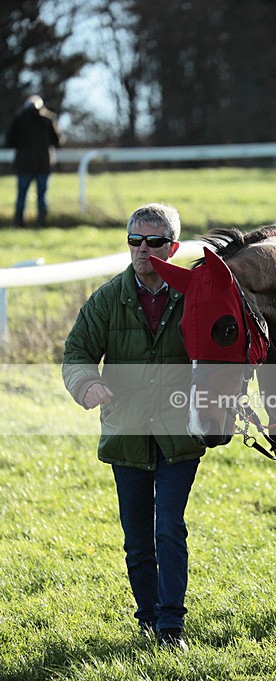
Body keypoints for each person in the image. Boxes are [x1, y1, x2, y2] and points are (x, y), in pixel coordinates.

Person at [62, 203, 205, 650]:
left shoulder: (196, 295)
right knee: (138, 536)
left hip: (179, 433)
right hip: (126, 433)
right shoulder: (107, 298)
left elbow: (225, 351)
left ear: (174, 247)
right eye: (134, 241)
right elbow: (77, 354)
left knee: (168, 528)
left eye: (155, 242)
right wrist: (86, 385)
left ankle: (171, 626)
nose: (143, 250)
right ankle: (147, 619)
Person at [5, 95, 62, 228]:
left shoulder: (20, 119)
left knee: (22, 195)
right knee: (42, 196)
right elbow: (58, 141)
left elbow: (9, 141)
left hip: (24, 164)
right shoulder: (48, 119)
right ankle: (41, 223)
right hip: (43, 164)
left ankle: (19, 224)